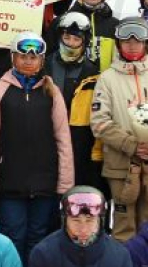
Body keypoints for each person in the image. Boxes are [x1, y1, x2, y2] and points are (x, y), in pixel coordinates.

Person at [0, 33, 74, 265]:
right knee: (13, 236)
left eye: (34, 57)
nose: (28, 61)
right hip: (10, 180)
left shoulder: (51, 91)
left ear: (42, 60)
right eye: (22, 56)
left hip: (45, 180)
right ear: (13, 58)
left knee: (39, 236)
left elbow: (63, 138)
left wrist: (65, 183)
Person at [91, 17, 148, 241]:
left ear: (146, 44)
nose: (132, 45)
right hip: (122, 164)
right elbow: (99, 122)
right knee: (123, 223)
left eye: (137, 41)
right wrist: (131, 145)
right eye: (126, 40)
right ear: (118, 44)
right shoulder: (107, 78)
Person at [45, 13, 105, 191]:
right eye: (66, 37)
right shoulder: (44, 66)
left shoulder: (93, 72)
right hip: (47, 138)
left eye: (76, 38)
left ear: (84, 40)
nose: (70, 42)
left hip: (79, 142)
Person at [48, 0, 119, 69]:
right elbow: (47, 60)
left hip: (104, 84)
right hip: (68, 84)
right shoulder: (61, 22)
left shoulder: (115, 26)